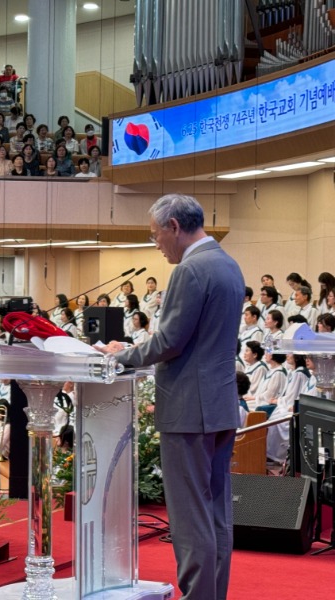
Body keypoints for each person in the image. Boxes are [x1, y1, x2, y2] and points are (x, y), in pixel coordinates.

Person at [103, 193, 244, 600]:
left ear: (174, 227)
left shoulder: (190, 269)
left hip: (188, 409)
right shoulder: (228, 264)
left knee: (189, 518)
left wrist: (121, 356)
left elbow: (170, 341)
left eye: (155, 235)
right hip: (219, 405)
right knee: (216, 512)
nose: (157, 244)